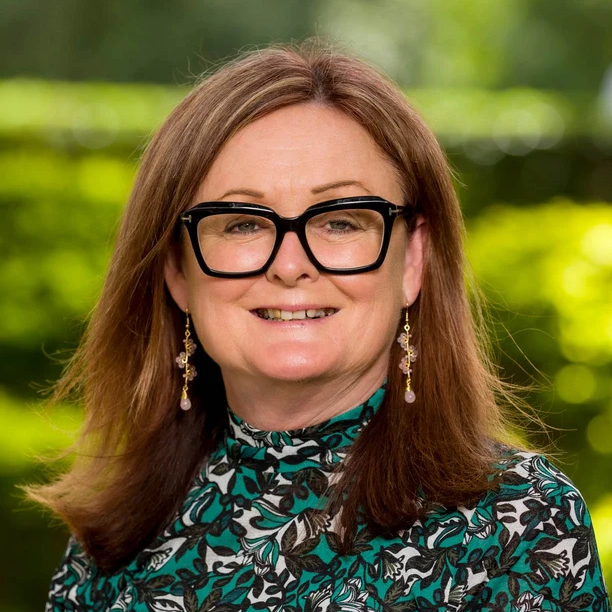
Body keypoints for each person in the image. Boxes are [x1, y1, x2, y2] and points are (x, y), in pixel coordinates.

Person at [34, 40, 609, 611]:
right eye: (241, 224)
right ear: (177, 270)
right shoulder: (109, 546)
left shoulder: (520, 529)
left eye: (340, 222)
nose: (290, 266)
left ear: (413, 260)